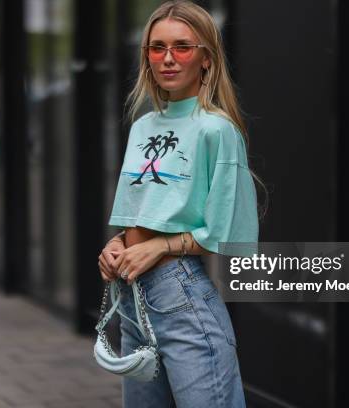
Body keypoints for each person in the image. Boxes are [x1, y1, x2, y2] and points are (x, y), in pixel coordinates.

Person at [98, 1, 262, 407]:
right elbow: (149, 209)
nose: (168, 58)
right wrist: (119, 243)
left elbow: (228, 228)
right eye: (157, 48)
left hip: (180, 294)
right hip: (133, 295)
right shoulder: (143, 125)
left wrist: (162, 247)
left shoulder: (217, 130)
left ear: (206, 58)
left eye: (182, 47)